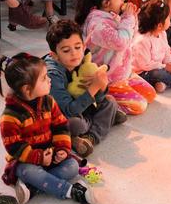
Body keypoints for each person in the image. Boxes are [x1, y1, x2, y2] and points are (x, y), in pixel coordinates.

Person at [0, 53, 96, 204]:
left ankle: (34, 187)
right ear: (27, 90)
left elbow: (60, 126)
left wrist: (61, 149)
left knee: (72, 166)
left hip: (51, 154)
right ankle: (69, 191)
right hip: (26, 161)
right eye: (44, 78)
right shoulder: (9, 117)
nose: (49, 80)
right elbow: (15, 148)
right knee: (28, 172)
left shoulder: (49, 101)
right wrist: (39, 157)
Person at [76, 0, 155, 116]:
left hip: (122, 72)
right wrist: (128, 18)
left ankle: (121, 91)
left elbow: (130, 38)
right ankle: (107, 102)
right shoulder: (97, 24)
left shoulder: (111, 15)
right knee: (139, 106)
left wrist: (132, 18)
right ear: (106, 3)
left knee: (150, 94)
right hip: (108, 78)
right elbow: (121, 42)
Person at [44, 19, 123, 157]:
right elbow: (68, 111)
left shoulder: (83, 59)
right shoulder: (53, 74)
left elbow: (99, 96)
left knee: (110, 102)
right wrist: (93, 88)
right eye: (66, 50)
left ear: (83, 44)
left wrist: (101, 87)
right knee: (75, 124)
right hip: (61, 115)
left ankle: (89, 137)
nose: (74, 53)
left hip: (81, 106)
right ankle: (101, 122)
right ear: (54, 55)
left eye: (77, 47)